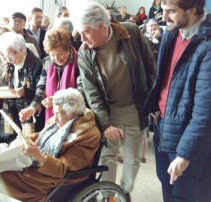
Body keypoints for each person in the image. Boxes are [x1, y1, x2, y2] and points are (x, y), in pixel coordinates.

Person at [75, 2, 155, 201]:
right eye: (80, 33)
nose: (82, 39)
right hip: (107, 111)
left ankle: (124, 191)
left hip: (135, 108)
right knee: (107, 156)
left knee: (132, 158)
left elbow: (150, 67)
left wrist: (154, 103)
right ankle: (107, 195)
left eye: (86, 32)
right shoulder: (85, 52)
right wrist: (106, 124)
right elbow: (92, 93)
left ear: (102, 26)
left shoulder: (130, 32)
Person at [143, 0, 211, 201]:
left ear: (192, 10)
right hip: (164, 124)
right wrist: (157, 107)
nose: (163, 18)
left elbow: (204, 111)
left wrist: (185, 154)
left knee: (186, 193)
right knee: (166, 183)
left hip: (188, 136)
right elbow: (164, 76)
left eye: (170, 11)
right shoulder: (172, 33)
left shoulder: (206, 44)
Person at [0, 88, 101, 202]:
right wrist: (24, 139)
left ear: (74, 113)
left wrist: (39, 157)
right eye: (54, 112)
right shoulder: (60, 120)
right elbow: (41, 136)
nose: (55, 117)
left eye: (58, 114)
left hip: (57, 178)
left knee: (2, 179)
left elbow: (63, 168)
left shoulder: (88, 135)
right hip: (40, 168)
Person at [19, 28, 80, 123]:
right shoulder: (47, 62)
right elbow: (41, 88)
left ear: (68, 49)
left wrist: (58, 100)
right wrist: (32, 108)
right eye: (52, 55)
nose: (56, 58)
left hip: (76, 115)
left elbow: (81, 91)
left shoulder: (79, 62)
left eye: (60, 54)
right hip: (55, 116)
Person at [0, 32, 44, 136]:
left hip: (28, 115)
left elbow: (41, 91)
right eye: (4, 55)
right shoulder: (9, 64)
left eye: (11, 54)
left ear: (21, 50)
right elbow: (7, 86)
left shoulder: (37, 64)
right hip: (10, 114)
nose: (8, 59)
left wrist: (25, 92)